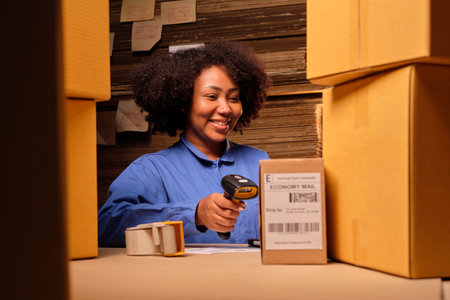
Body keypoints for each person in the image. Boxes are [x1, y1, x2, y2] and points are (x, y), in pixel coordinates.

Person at [98, 40, 271, 246]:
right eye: (211, 96)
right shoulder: (152, 170)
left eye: (234, 98)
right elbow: (105, 227)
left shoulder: (259, 160)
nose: (225, 108)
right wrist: (194, 214)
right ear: (183, 102)